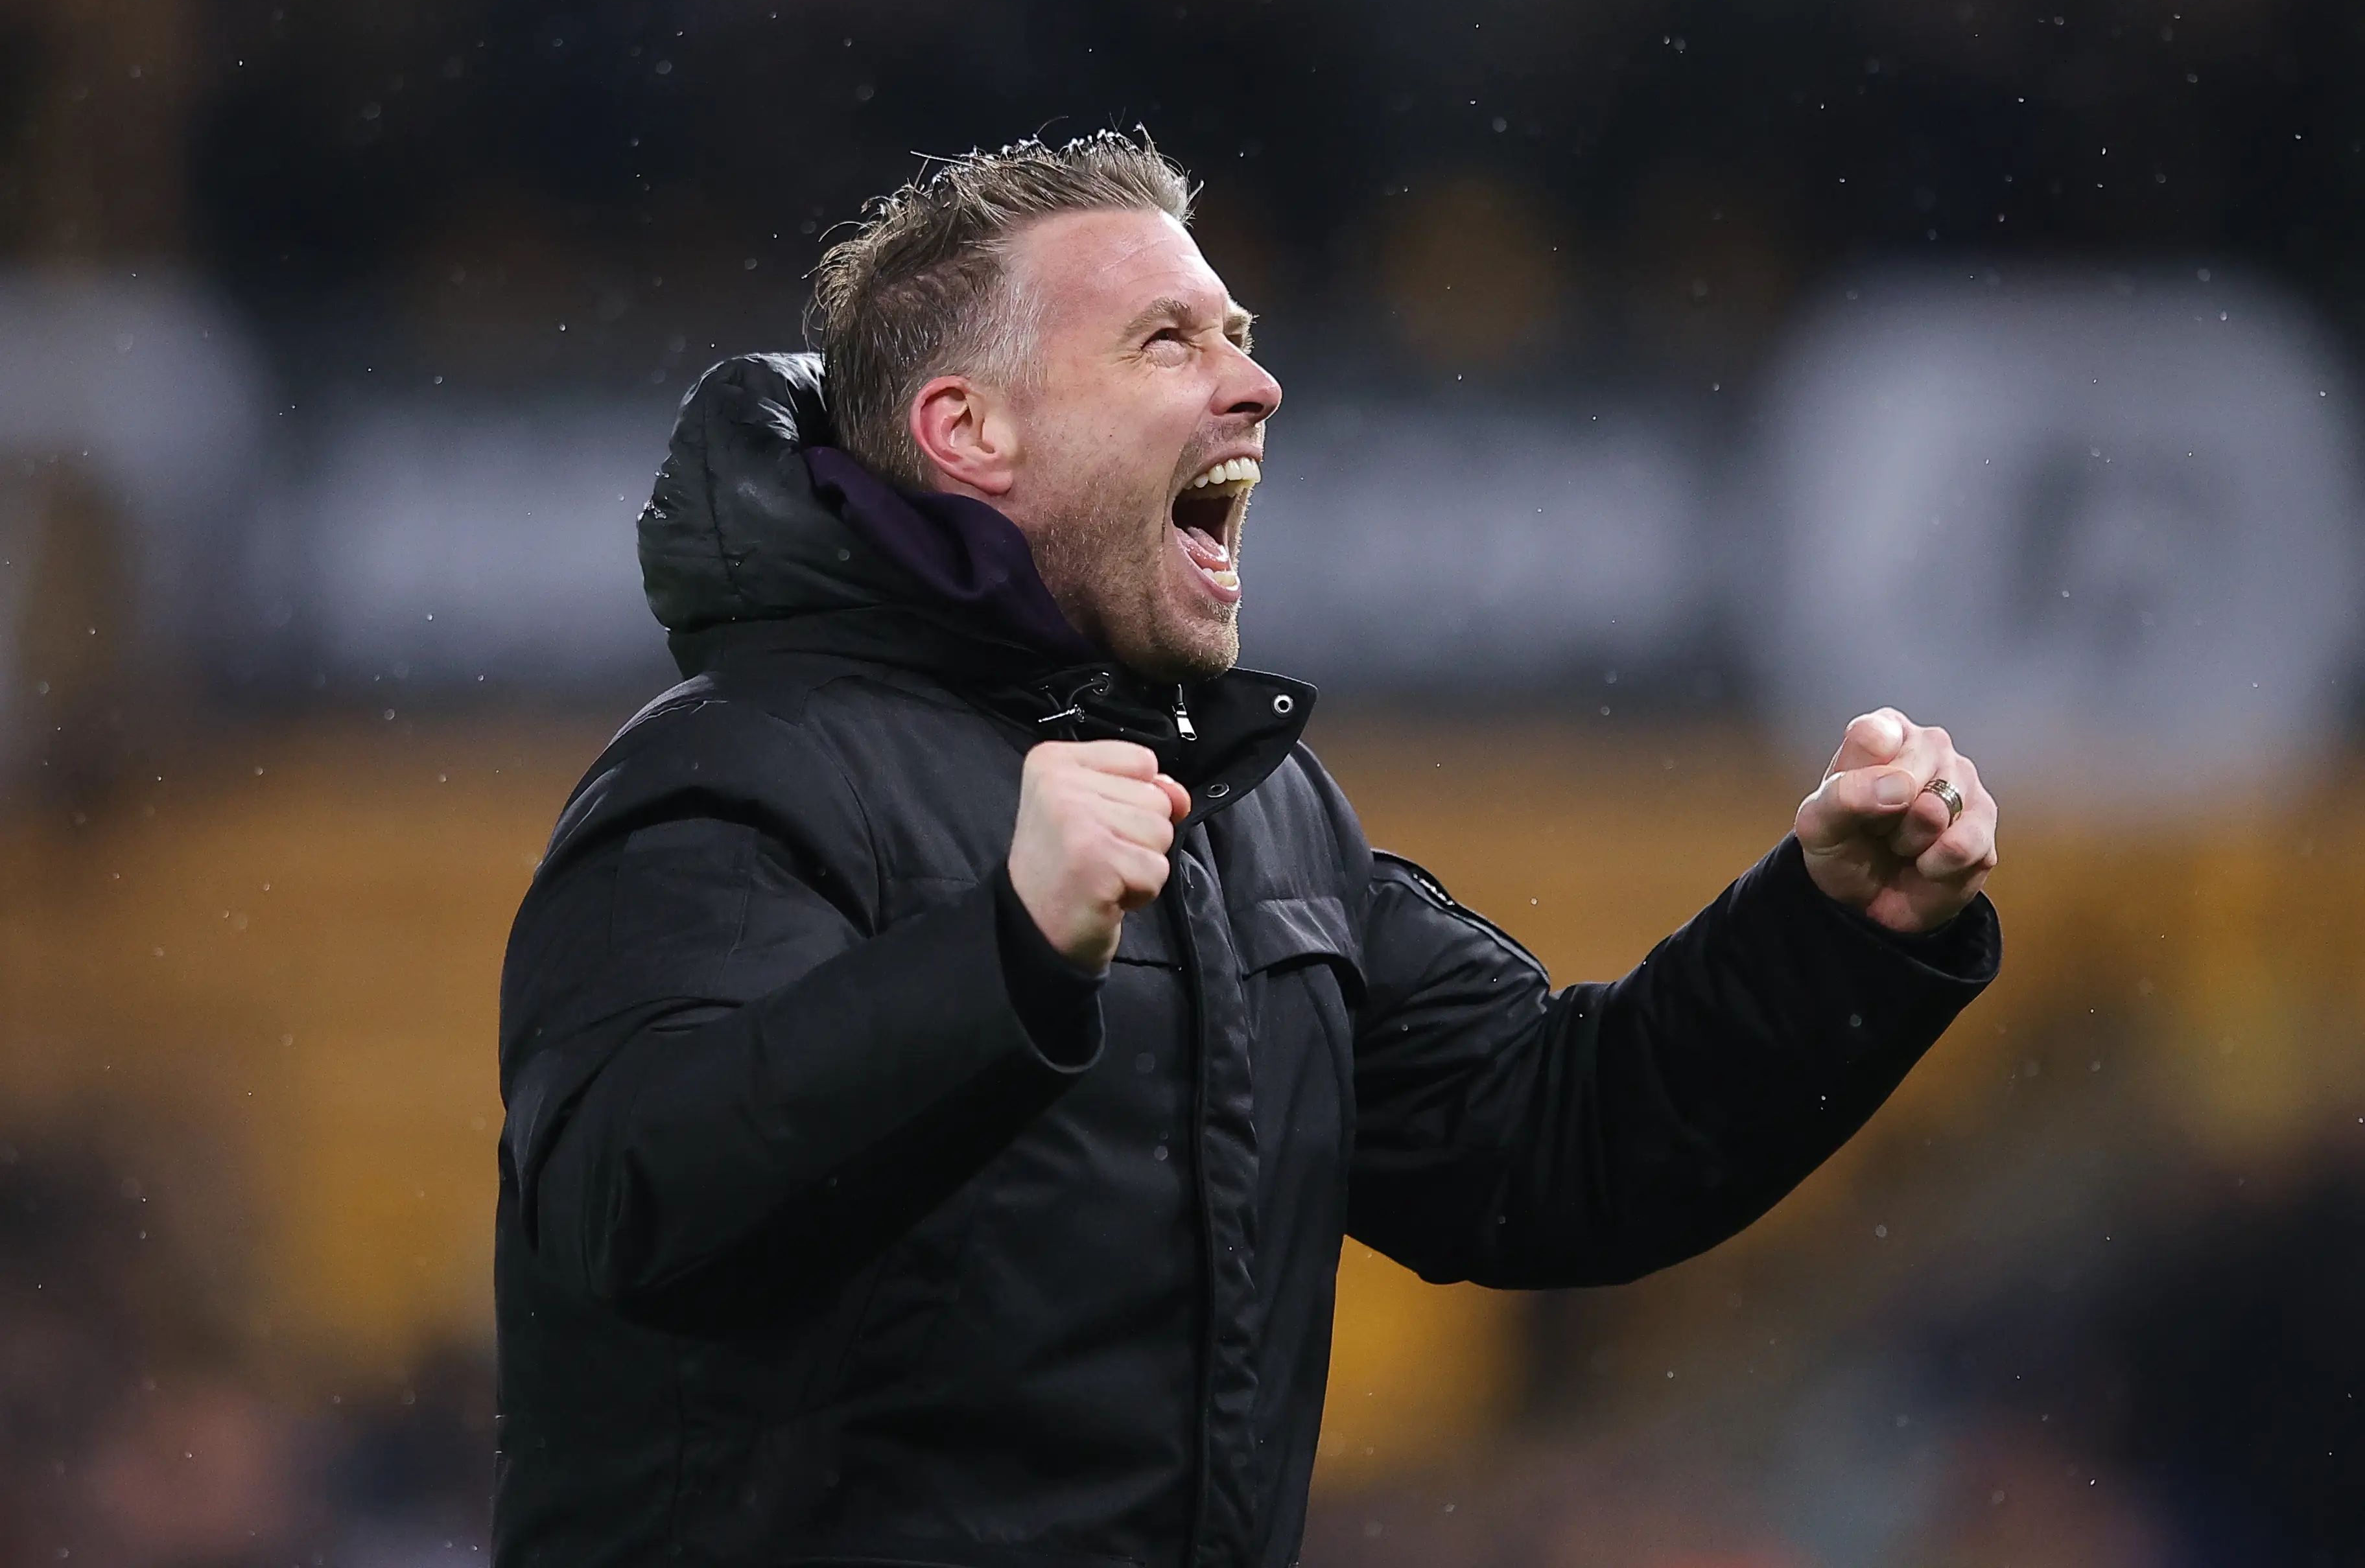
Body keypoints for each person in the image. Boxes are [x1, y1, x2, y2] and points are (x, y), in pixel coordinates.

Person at [492, 132, 2001, 1568]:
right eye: (1170, 341)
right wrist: (1003, 959)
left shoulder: (1256, 814)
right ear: (968, 431)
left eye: (1241, 334)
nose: (1259, 383)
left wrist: (1839, 931)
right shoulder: (730, 769)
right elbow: (634, 1205)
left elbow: (1559, 1145)